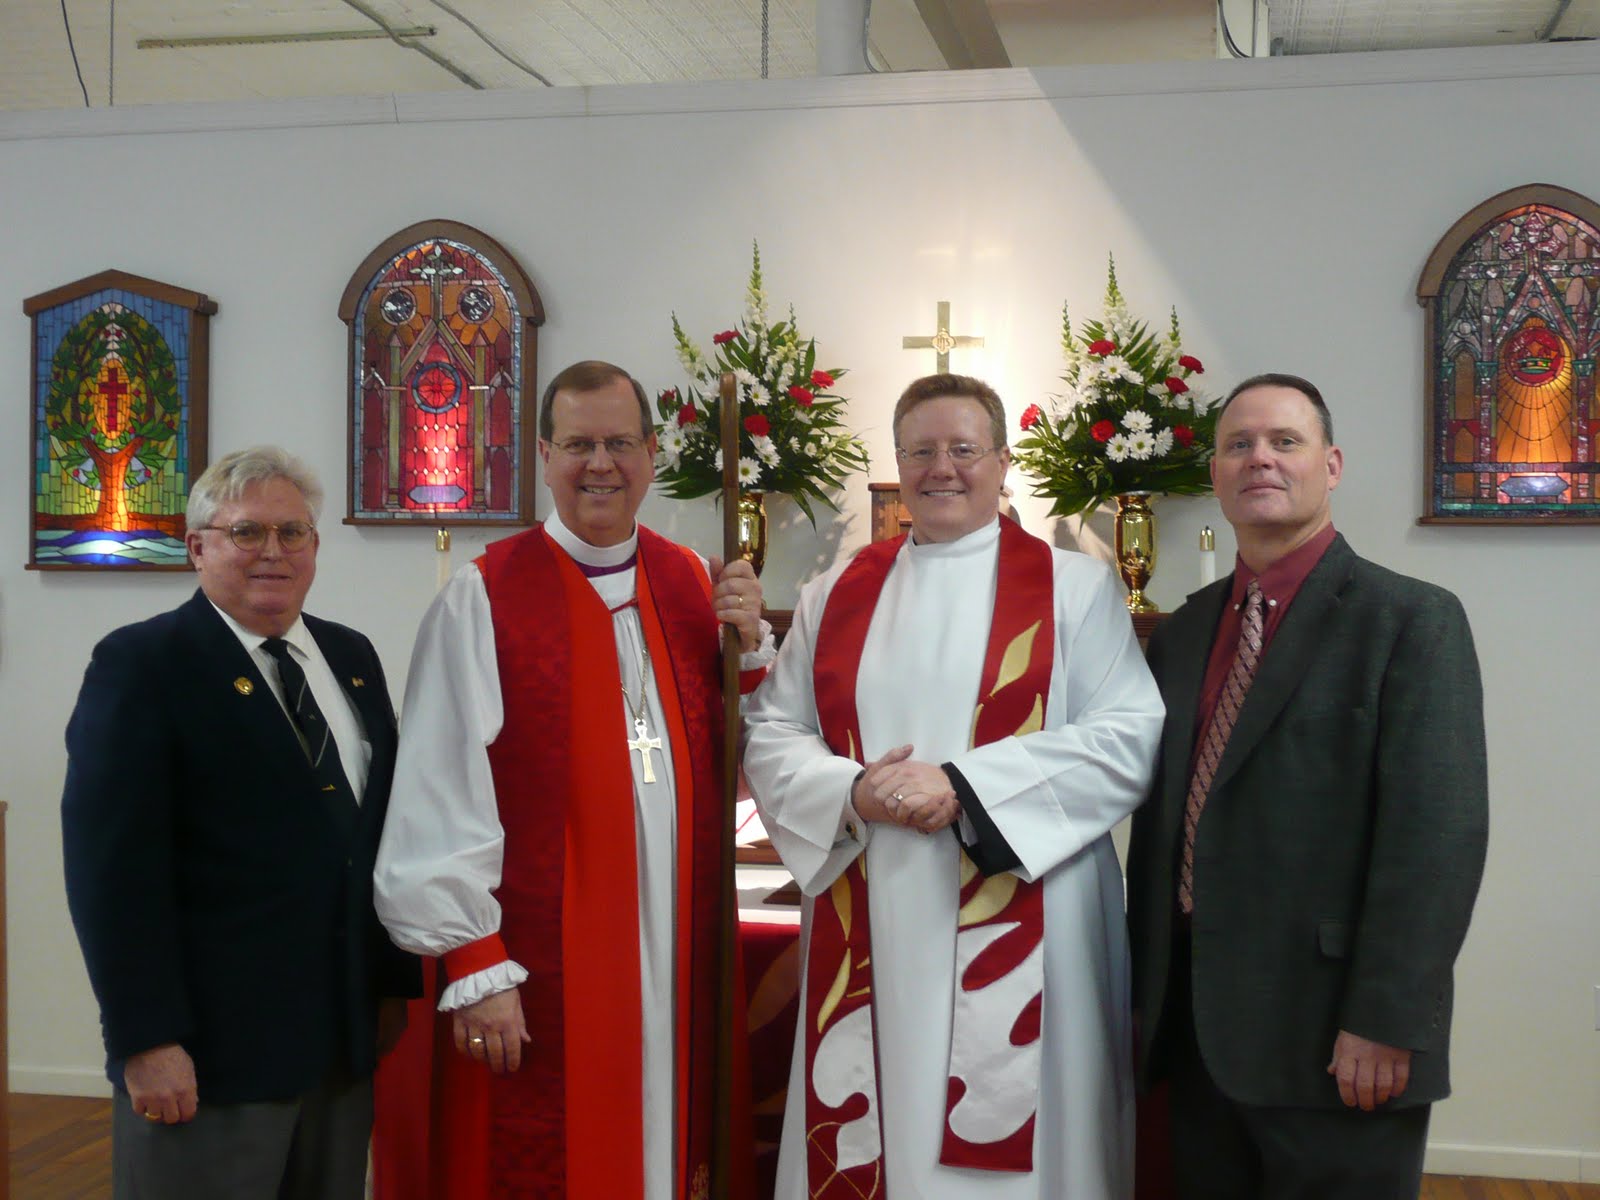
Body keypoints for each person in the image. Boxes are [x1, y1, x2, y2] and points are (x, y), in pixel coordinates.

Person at [742, 373, 1165, 1199]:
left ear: (1002, 462)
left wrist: (965, 789)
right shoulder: (834, 596)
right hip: (876, 903)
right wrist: (854, 792)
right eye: (922, 451)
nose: (943, 468)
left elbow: (1127, 739)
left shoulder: (1073, 588)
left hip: (1035, 924)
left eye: (964, 450)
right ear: (897, 464)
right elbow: (773, 731)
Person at [373, 359, 771, 1200]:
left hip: (679, 950)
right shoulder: (484, 597)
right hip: (544, 965)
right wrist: (475, 961)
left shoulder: (696, 584)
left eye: (621, 443)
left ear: (652, 454)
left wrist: (752, 662)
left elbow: (735, 764)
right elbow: (436, 790)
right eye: (580, 444)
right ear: (543, 454)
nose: (602, 464)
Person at [1126, 373, 1489, 1199]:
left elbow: (1439, 838)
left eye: (1283, 441)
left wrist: (1387, 1021)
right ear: (1215, 475)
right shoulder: (1182, 632)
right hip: (1195, 1030)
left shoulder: (1410, 620)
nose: (1260, 458)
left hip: (1341, 1039)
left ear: (1330, 465)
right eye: (1238, 445)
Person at [62, 445, 419, 1200]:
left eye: (292, 533)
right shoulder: (144, 664)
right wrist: (145, 1039)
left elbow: (376, 837)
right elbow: (110, 873)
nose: (273, 552)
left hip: (340, 1045)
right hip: (211, 1055)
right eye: (246, 533)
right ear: (197, 547)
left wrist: (390, 987)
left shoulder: (350, 657)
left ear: (316, 547)